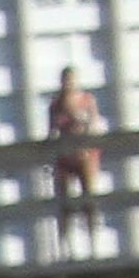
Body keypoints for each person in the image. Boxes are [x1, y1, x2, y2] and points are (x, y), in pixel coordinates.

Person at [48, 68, 107, 243]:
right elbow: (51, 131)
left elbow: (93, 125)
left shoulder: (87, 100)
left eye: (71, 80)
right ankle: (65, 243)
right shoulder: (55, 104)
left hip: (85, 153)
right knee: (63, 199)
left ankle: (93, 240)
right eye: (65, 80)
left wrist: (85, 145)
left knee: (88, 197)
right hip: (65, 155)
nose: (68, 83)